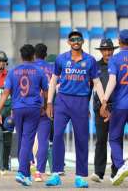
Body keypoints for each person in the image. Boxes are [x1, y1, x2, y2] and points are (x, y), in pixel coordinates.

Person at [45, 31, 105, 188]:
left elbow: (97, 83)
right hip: (62, 100)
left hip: (80, 102)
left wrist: (104, 101)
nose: (76, 42)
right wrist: (49, 102)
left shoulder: (90, 60)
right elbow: (53, 81)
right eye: (73, 39)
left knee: (81, 138)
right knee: (57, 135)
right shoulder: (61, 59)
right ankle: (56, 173)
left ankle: (80, 176)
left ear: (83, 41)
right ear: (68, 42)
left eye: (78, 39)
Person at [0, 44, 48, 186]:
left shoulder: (13, 71)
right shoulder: (39, 71)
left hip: (17, 108)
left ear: (21, 56)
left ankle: (25, 174)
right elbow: (46, 90)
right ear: (33, 56)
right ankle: (21, 172)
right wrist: (45, 106)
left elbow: (6, 92)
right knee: (27, 140)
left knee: (21, 139)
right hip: (33, 108)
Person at [100, 29, 128, 186]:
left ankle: (121, 165)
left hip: (120, 105)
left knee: (115, 138)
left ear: (119, 42)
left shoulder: (115, 59)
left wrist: (104, 101)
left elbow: (112, 81)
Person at [90, 38, 120, 183]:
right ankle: (98, 172)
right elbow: (89, 86)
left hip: (116, 108)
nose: (107, 52)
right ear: (101, 51)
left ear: (113, 50)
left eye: (109, 50)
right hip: (100, 109)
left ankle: (116, 172)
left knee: (116, 140)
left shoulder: (119, 64)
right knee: (101, 140)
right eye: (104, 50)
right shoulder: (95, 66)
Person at [32, 43, 53, 182]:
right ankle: (39, 171)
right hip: (46, 106)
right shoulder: (52, 68)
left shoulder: (30, 67)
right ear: (46, 55)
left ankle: (28, 166)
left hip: (30, 106)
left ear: (34, 54)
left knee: (27, 137)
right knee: (43, 140)